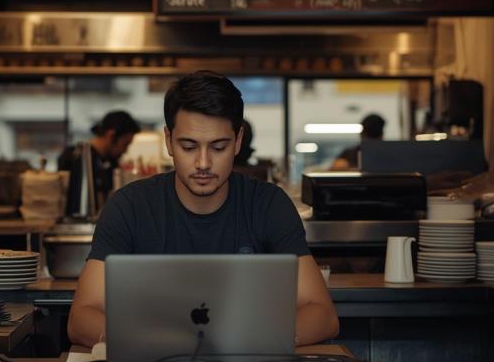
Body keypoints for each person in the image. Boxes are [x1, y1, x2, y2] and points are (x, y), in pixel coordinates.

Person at [67, 71, 339, 347]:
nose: (203, 163)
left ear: (238, 141)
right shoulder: (129, 208)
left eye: (219, 147)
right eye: (189, 146)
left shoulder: (269, 206)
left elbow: (322, 314)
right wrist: (161, 343)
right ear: (169, 140)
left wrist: (247, 341)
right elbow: (81, 318)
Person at [57, 110, 141, 211]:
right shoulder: (75, 157)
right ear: (111, 135)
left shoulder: (111, 162)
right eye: (125, 144)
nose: (125, 151)